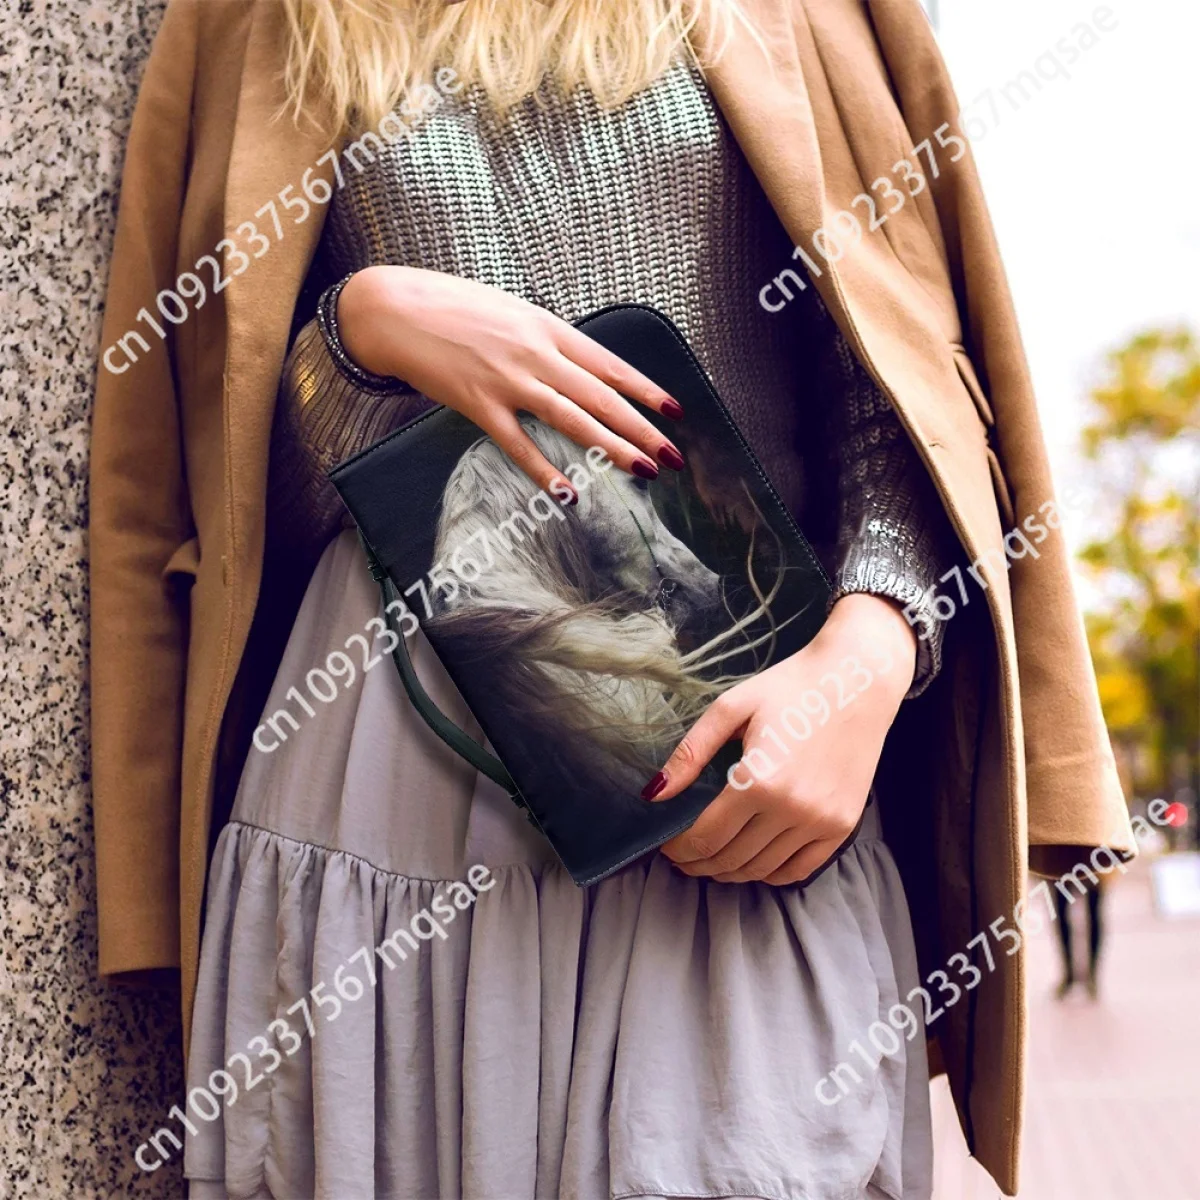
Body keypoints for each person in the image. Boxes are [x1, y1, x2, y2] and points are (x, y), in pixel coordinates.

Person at [89, 2, 1136, 1197]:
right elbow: (212, 487)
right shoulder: (258, 15)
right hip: (384, 774)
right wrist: (361, 329)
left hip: (737, 752)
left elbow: (894, 383)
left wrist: (876, 646)